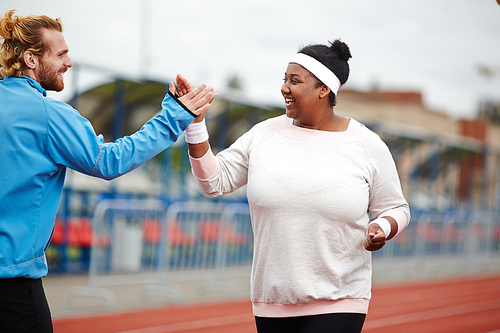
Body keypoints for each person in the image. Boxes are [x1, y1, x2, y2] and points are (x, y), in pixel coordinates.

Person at [0, 10, 215, 332]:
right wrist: (175, 115)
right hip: (12, 284)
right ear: (31, 59)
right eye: (61, 54)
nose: (68, 63)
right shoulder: (47, 114)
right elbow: (108, 162)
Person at [180, 39, 410, 333]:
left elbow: (396, 207)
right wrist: (195, 125)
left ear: (323, 89)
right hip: (272, 301)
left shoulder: (366, 145)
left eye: (295, 81)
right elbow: (214, 181)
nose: (284, 88)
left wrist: (385, 227)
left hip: (340, 299)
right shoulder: (264, 134)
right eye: (284, 80)